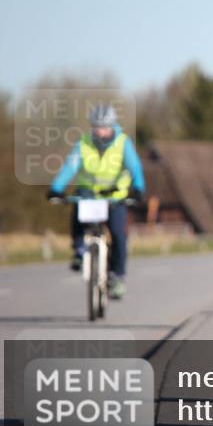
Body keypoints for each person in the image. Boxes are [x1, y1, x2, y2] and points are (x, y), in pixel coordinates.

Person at [46, 104, 145, 299]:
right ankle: (79, 250)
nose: (100, 131)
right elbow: (70, 167)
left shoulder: (123, 143)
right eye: (96, 126)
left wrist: (138, 189)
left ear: (112, 126)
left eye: (104, 126)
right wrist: (56, 188)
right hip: (89, 193)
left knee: (118, 235)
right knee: (78, 209)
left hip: (115, 196)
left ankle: (117, 276)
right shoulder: (83, 143)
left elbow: (135, 168)